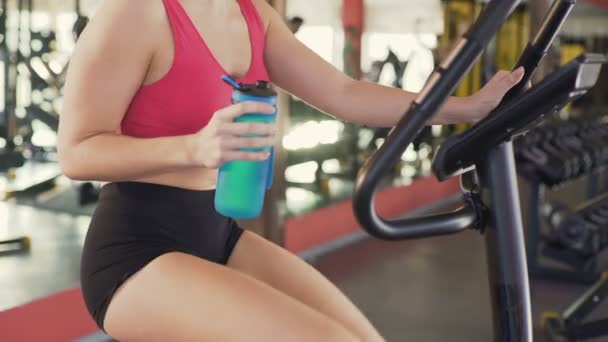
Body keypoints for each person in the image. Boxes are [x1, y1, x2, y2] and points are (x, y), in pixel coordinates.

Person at [58, 0, 525, 341]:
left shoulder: (251, 13)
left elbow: (344, 94)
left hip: (216, 233)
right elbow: (76, 153)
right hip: (135, 253)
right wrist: (193, 148)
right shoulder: (139, 13)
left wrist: (467, 107)